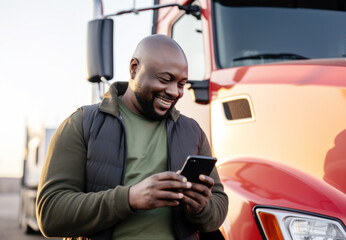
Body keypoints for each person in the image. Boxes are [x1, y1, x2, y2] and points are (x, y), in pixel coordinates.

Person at [36, 34, 228, 240]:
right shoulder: (82, 123)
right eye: (165, 79)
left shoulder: (193, 132)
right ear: (134, 68)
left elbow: (218, 207)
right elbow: (50, 214)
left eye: (181, 84)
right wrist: (129, 198)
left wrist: (200, 208)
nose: (174, 92)